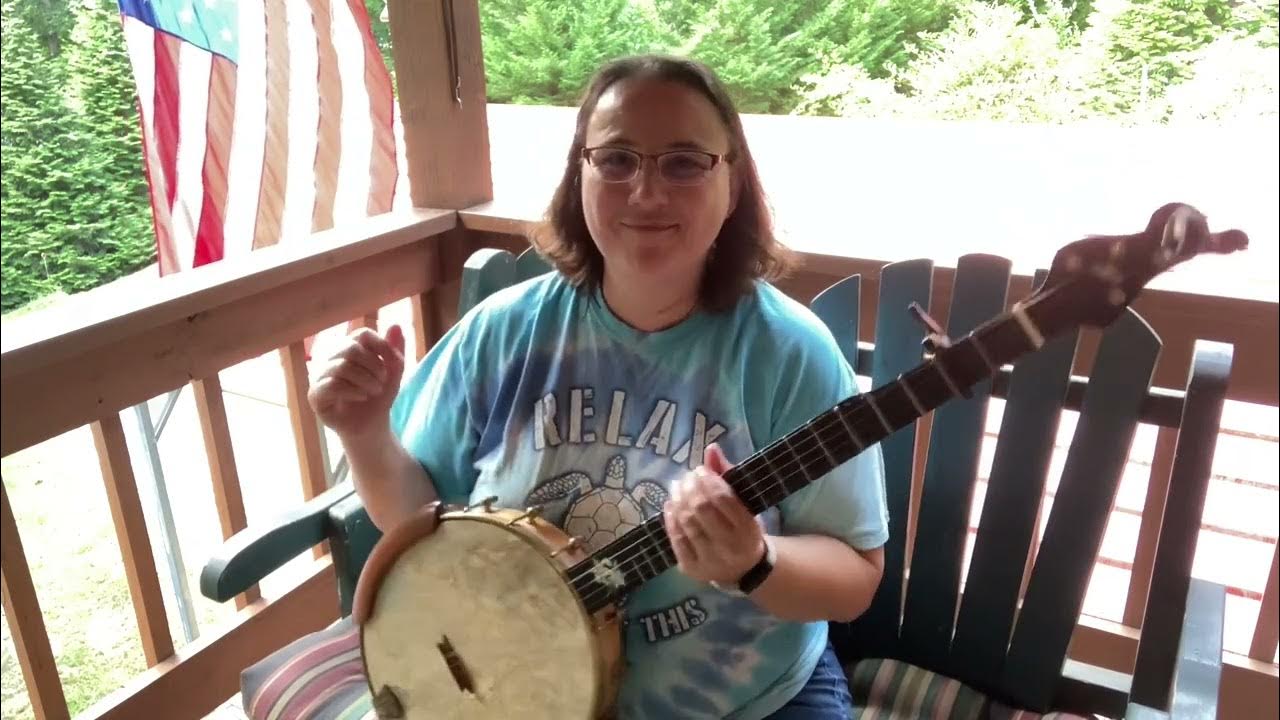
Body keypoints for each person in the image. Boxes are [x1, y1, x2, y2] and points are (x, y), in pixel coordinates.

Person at [308, 54, 889, 720]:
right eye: (616, 160)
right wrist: (363, 432)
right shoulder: (503, 334)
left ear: (732, 184)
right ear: (579, 175)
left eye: (684, 161)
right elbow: (418, 521)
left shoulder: (790, 354)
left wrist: (754, 560)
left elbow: (853, 581)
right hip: (520, 691)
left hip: (754, 705)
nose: (646, 192)